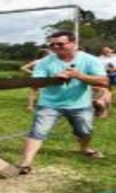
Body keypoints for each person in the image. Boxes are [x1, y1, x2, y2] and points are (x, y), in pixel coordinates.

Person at [18, 31, 108, 175]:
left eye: (60, 43)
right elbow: (35, 85)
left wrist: (79, 75)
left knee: (84, 131)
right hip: (49, 104)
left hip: (80, 104)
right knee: (38, 131)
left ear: (73, 44)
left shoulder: (90, 60)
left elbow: (104, 81)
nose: (55, 47)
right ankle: (26, 162)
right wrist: (53, 78)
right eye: (52, 44)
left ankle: (84, 148)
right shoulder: (45, 62)